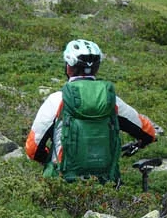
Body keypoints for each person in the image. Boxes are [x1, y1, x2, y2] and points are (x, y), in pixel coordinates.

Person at [25, 39, 158, 183]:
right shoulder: (110, 99)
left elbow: (33, 149)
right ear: (96, 68)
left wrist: (52, 159)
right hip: (104, 182)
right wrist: (141, 142)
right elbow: (148, 132)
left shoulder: (56, 100)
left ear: (69, 68)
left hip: (63, 181)